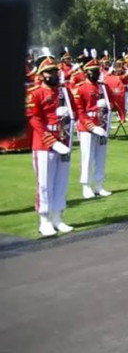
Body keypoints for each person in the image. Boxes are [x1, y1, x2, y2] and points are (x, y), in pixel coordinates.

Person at [26, 57, 74, 236]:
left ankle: (58, 217)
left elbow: (74, 112)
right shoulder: (35, 92)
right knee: (45, 183)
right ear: (41, 74)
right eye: (49, 72)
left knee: (61, 181)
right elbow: (35, 120)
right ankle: (44, 220)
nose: (53, 75)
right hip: (44, 143)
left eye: (55, 71)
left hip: (64, 138)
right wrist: (51, 141)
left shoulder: (63, 92)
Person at [73, 59, 111, 199]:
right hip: (87, 127)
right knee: (87, 157)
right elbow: (79, 111)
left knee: (101, 157)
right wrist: (92, 127)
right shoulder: (81, 88)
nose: (95, 74)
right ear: (86, 72)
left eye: (97, 71)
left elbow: (110, 102)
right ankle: (86, 186)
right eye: (92, 71)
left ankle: (99, 185)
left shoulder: (103, 87)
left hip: (102, 124)